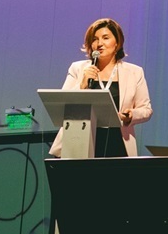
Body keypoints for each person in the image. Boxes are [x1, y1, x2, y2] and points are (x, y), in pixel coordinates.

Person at [49, 17, 153, 158]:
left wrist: (130, 115)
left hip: (117, 141)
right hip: (81, 139)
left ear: (117, 43)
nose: (99, 44)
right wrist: (82, 85)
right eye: (94, 39)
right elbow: (63, 103)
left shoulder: (134, 72)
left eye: (105, 38)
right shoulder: (78, 68)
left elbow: (146, 109)